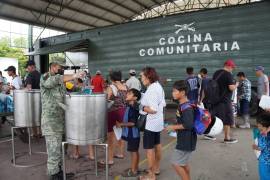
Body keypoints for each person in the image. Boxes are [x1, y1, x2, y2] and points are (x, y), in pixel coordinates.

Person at [40, 61, 81, 179]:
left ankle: (59, 173)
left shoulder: (61, 81)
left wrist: (78, 88)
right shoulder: (46, 77)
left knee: (62, 149)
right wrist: (74, 75)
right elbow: (52, 82)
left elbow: (67, 91)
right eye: (60, 67)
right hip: (51, 122)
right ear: (53, 67)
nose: (62, 69)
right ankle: (53, 175)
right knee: (54, 150)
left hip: (61, 120)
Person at [165, 80, 197, 180]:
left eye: (175, 91)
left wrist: (173, 127)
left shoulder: (186, 108)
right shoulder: (183, 105)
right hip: (186, 139)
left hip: (186, 140)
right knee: (183, 163)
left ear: (182, 93)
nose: (172, 93)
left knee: (176, 163)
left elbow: (188, 125)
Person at [139, 67, 166, 180]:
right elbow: (163, 104)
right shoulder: (158, 86)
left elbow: (153, 109)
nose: (141, 79)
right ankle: (156, 168)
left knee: (150, 149)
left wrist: (141, 107)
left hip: (151, 123)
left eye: (142, 76)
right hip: (158, 121)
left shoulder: (151, 90)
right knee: (157, 145)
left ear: (148, 77)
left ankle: (151, 175)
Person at [99, 71, 127, 166]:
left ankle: (110, 159)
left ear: (111, 78)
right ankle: (121, 153)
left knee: (111, 136)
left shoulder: (112, 87)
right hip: (123, 111)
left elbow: (105, 98)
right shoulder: (125, 86)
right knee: (120, 133)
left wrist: (105, 91)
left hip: (113, 112)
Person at [206, 59, 238, 143]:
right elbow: (231, 88)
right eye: (232, 67)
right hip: (224, 101)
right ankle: (227, 138)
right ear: (228, 66)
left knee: (214, 118)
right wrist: (236, 85)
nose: (232, 69)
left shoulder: (217, 73)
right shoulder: (228, 75)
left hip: (215, 99)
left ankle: (209, 134)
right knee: (227, 119)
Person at [116, 88, 141, 177]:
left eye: (129, 94)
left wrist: (121, 124)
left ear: (135, 98)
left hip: (133, 134)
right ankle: (135, 168)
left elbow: (133, 123)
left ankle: (134, 171)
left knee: (133, 152)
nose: (127, 94)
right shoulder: (130, 106)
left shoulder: (134, 108)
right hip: (133, 134)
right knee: (134, 151)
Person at [252, 112, 270, 180]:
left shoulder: (263, 136)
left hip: (264, 161)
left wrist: (255, 147)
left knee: (264, 176)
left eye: (261, 129)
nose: (260, 130)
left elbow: (261, 148)